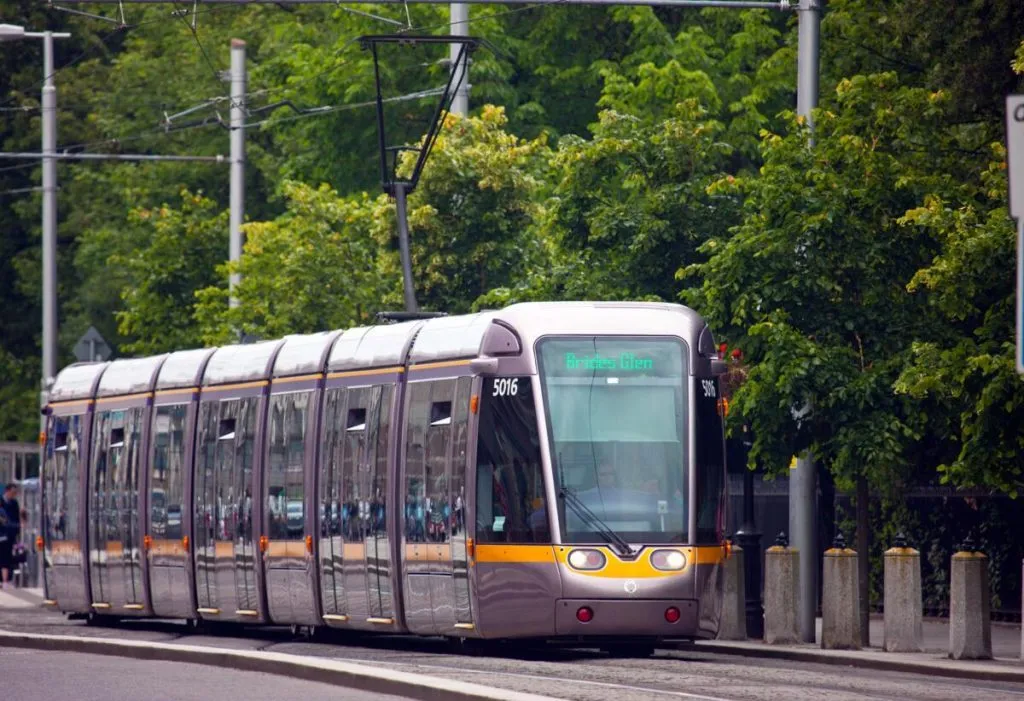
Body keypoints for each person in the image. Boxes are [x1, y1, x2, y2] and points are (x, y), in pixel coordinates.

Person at [0, 483, 21, 588]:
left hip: (9, 534)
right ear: (7, 491)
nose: (14, 495)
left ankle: (6, 580)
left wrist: (17, 532)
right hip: (1, 532)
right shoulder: (1, 501)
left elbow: (17, 518)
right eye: (13, 492)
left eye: (15, 493)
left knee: (7, 557)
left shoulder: (14, 503)